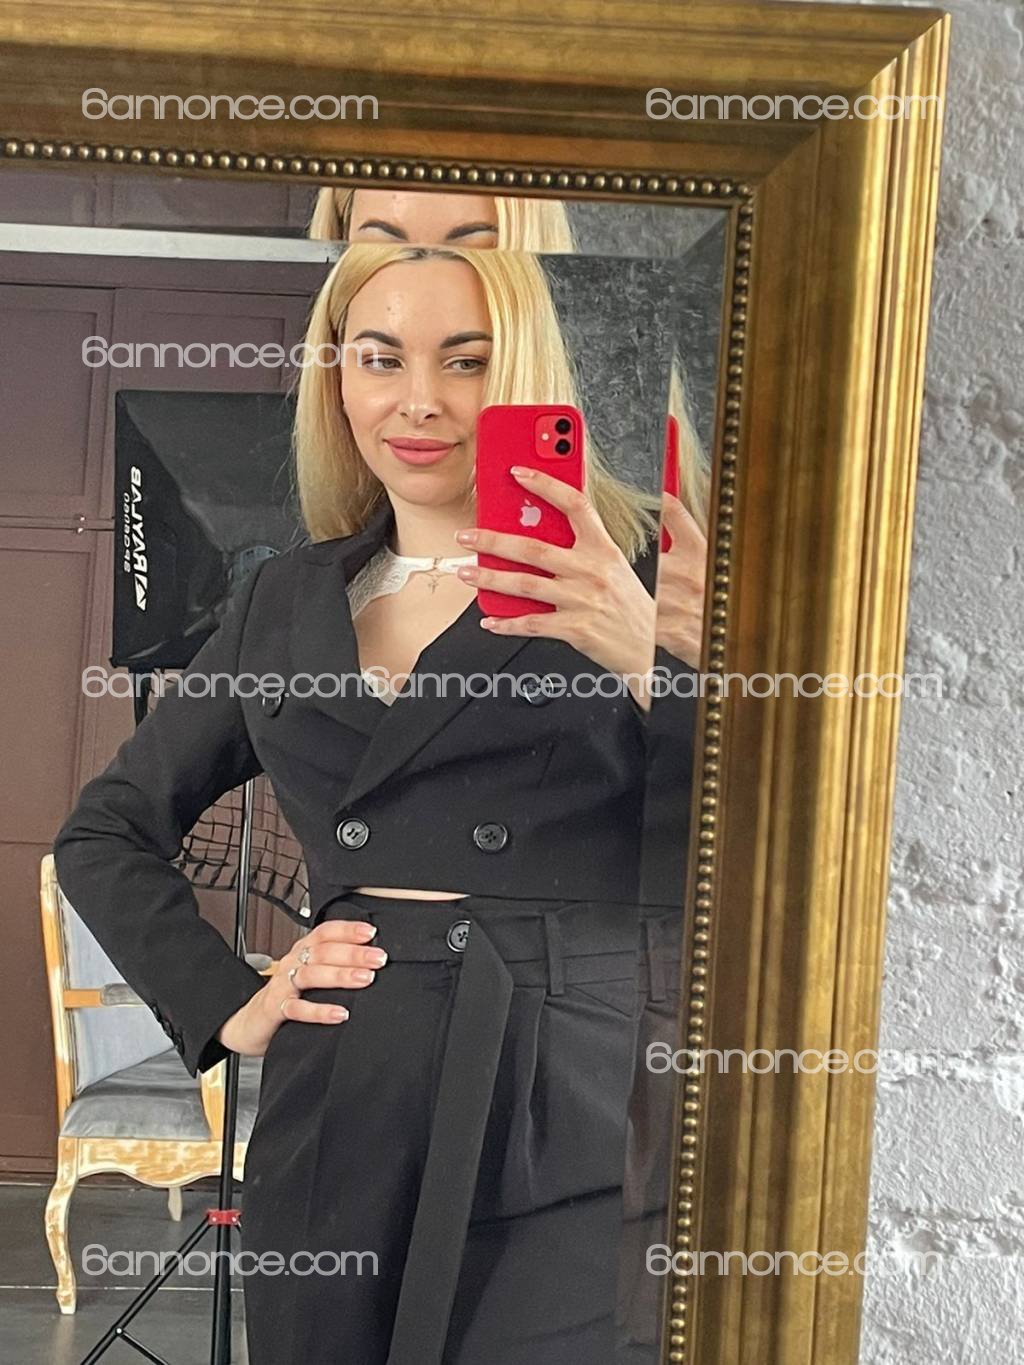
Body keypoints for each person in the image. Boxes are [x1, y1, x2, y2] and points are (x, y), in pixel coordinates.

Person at [52, 243, 697, 1363]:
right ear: (336, 377)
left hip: (573, 1077)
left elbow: (770, 838)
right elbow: (106, 830)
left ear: (525, 374)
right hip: (348, 1076)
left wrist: (645, 651)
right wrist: (230, 1000)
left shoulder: (649, 565)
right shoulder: (284, 597)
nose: (419, 400)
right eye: (380, 358)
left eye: (466, 360)